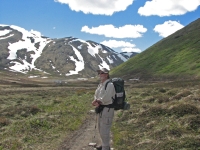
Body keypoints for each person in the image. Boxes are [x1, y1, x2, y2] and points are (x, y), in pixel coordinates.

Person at [92, 68, 116, 150]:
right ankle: (105, 145)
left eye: (102, 73)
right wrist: (95, 100)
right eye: (99, 73)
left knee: (104, 129)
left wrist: (98, 101)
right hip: (102, 109)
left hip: (107, 109)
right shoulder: (101, 85)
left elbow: (107, 97)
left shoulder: (110, 85)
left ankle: (106, 148)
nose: (100, 74)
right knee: (100, 128)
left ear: (106, 74)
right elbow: (96, 94)